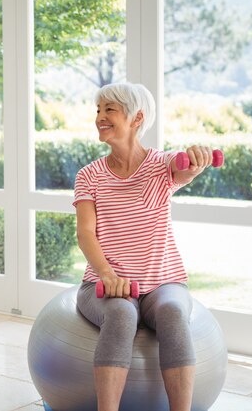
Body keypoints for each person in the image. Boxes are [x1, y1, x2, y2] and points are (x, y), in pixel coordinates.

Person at [73, 82, 215, 411]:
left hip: (163, 282)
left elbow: (184, 167)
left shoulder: (161, 165)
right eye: (98, 110)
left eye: (110, 110)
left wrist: (195, 159)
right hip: (103, 283)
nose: (100, 117)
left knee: (173, 311)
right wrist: (107, 275)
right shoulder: (89, 175)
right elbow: (85, 233)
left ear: (137, 118)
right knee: (122, 315)